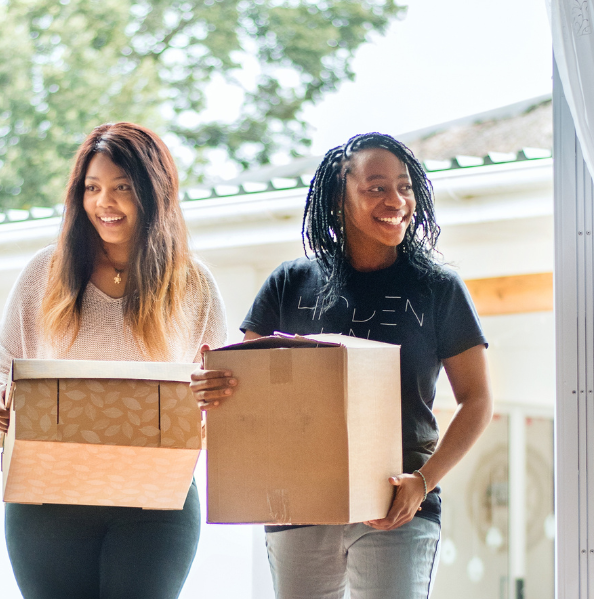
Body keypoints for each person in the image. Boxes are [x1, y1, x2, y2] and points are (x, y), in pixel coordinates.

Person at [190, 132, 493, 599]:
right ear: (339, 198)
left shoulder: (438, 289)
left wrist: (422, 482)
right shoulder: (290, 282)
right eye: (376, 187)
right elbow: (243, 386)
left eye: (405, 186)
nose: (396, 200)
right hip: (297, 503)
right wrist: (213, 389)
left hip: (397, 505)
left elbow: (477, 401)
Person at [0, 122, 227, 599]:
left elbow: (224, 400)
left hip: (157, 505)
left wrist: (219, 400)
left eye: (122, 189)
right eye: (92, 189)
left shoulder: (193, 284)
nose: (103, 203)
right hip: (47, 501)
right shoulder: (43, 274)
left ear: (154, 193)